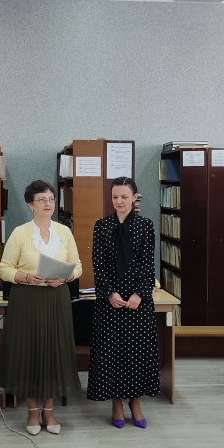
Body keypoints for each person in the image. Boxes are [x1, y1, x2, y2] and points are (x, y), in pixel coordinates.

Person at [0, 180, 83, 435]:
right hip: (27, 299)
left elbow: (77, 266)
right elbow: (4, 269)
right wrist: (25, 277)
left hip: (56, 298)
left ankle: (49, 411)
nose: (48, 204)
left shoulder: (64, 232)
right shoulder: (20, 233)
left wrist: (66, 277)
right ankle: (32, 411)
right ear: (30, 205)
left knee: (54, 353)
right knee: (29, 353)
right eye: (42, 199)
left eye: (51, 199)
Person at [87, 177, 159, 428]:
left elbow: (148, 264)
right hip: (111, 301)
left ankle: (135, 402)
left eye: (124, 197)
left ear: (134, 198)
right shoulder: (102, 226)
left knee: (137, 354)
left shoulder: (145, 225)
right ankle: (116, 403)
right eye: (115, 197)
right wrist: (109, 293)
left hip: (138, 301)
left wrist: (139, 294)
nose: (119, 201)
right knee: (112, 354)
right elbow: (98, 265)